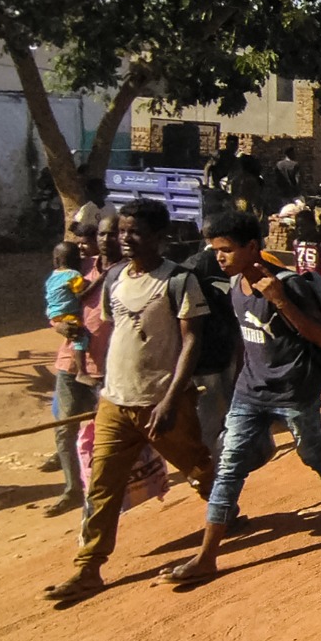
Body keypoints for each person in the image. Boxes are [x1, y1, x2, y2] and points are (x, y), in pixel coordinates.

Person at [160, 213, 321, 585]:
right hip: (249, 393)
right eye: (215, 250)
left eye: (226, 250)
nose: (219, 257)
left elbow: (320, 337)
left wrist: (279, 300)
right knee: (228, 467)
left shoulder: (289, 286)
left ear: (251, 248)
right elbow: (246, 340)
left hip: (294, 392)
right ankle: (207, 556)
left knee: (312, 452)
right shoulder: (234, 285)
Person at [43, 199, 215, 604]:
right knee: (101, 486)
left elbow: (192, 340)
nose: (125, 239)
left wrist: (171, 399)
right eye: (122, 232)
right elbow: (113, 331)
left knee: (197, 466)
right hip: (115, 403)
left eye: (135, 232)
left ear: (160, 237)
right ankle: (88, 568)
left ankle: (224, 510)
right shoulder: (115, 278)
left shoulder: (179, 281)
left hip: (162, 403)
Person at [43, 221, 118, 517]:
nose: (93, 242)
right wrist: (58, 323)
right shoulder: (77, 265)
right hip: (71, 364)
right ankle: (72, 489)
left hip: (110, 366)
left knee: (108, 433)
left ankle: (105, 489)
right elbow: (54, 301)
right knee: (65, 429)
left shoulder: (128, 270)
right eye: (95, 235)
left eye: (104, 235)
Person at [45, 242, 90, 381]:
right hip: (68, 313)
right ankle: (82, 371)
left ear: (56, 261)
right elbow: (80, 293)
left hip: (53, 312)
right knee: (80, 338)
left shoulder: (53, 276)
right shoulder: (73, 275)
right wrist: (95, 282)